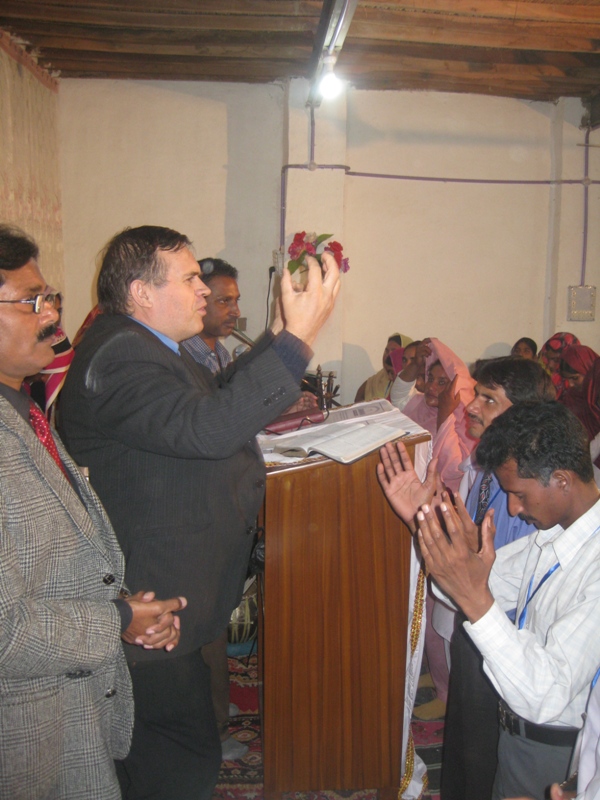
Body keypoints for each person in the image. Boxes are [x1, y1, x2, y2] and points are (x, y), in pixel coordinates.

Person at [59, 224, 340, 800]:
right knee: (176, 761)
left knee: (179, 747)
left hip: (168, 589)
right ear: (141, 292)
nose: (204, 290)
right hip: (149, 602)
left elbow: (214, 398)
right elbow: (208, 428)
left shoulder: (145, 346)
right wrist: (299, 341)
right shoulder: (119, 356)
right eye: (189, 279)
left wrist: (280, 334)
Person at [0, 224, 186, 800]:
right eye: (31, 302)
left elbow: (49, 551)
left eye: (49, 297)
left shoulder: (23, 409)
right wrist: (116, 620)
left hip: (68, 710)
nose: (52, 314)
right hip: (23, 733)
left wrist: (127, 607)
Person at [410, 402, 600, 800]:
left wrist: (475, 597)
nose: (513, 508)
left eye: (518, 494)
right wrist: (428, 521)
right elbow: (466, 586)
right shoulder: (552, 535)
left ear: (562, 480)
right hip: (517, 731)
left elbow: (545, 694)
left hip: (554, 750)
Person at [354, 332, 413, 402]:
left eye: (394, 351)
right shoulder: (379, 377)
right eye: (386, 351)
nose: (388, 355)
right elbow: (359, 396)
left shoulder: (411, 382)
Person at [539, 332, 580, 399]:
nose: (550, 365)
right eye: (547, 359)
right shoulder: (543, 377)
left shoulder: (583, 383)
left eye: (556, 360)